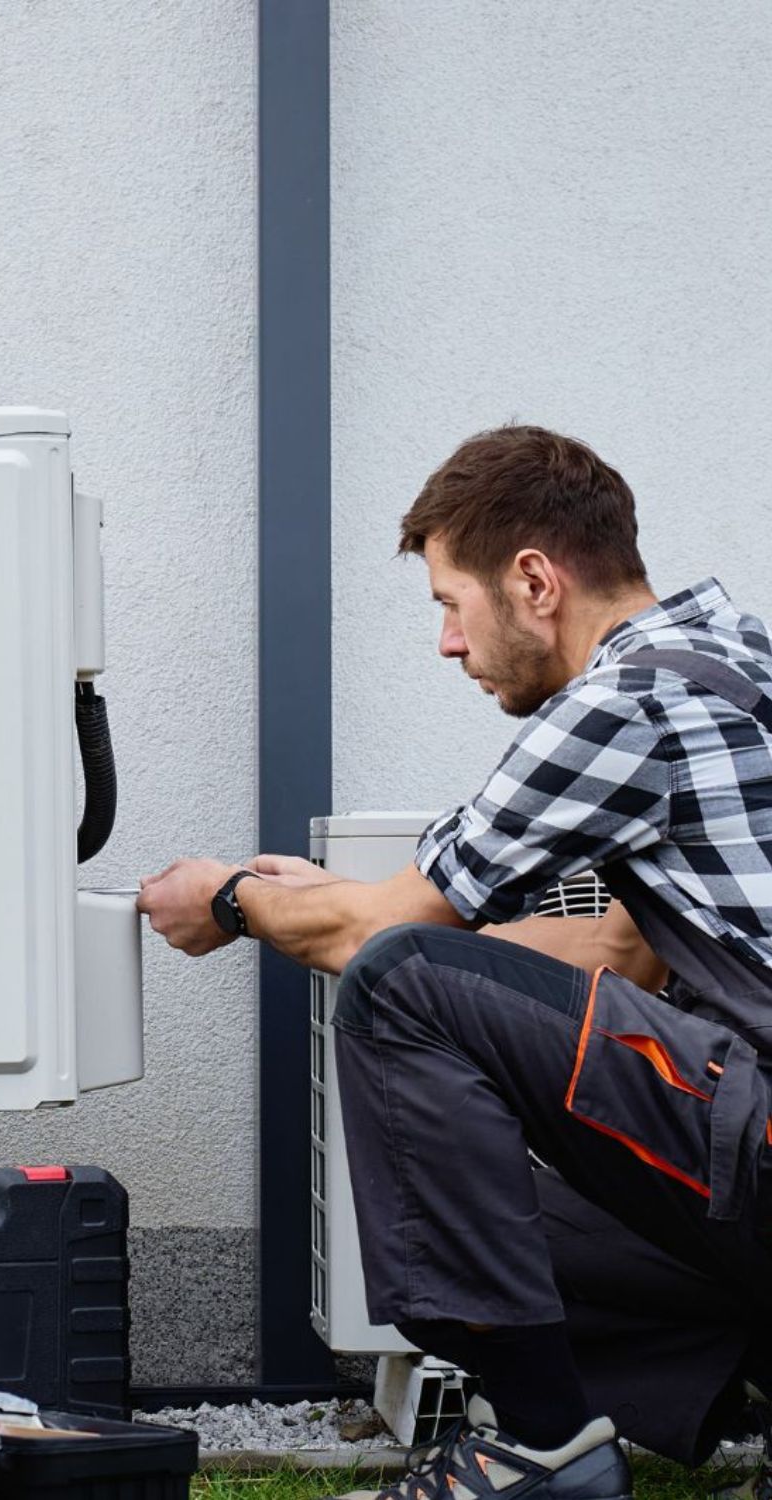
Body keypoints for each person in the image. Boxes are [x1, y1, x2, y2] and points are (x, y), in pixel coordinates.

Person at [137, 425, 772, 1500]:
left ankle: (539, 1450)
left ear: (532, 581)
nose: (446, 642)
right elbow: (612, 954)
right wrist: (336, 909)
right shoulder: (730, 653)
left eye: (448, 603)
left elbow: (381, 945)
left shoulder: (630, 704)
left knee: (396, 988)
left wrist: (238, 903)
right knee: (492, 1216)